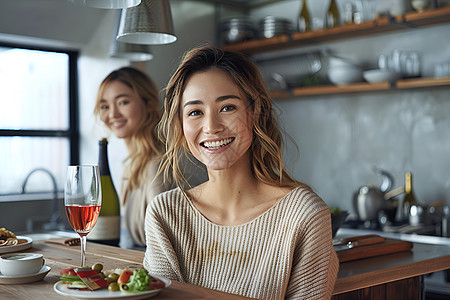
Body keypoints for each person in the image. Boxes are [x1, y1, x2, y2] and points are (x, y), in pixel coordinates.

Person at [144, 46, 339, 299]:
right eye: (195, 112)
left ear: (254, 113)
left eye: (227, 107)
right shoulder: (165, 213)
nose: (211, 127)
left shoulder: (304, 215)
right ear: (180, 126)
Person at [94, 67, 170, 249]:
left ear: (150, 103)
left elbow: (162, 239)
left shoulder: (158, 162)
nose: (112, 114)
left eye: (123, 102)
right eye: (105, 106)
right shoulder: (133, 164)